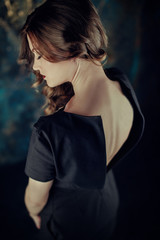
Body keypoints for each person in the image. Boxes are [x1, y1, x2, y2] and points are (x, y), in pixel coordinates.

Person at [19, 0, 145, 239]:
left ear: (71, 47)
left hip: (68, 225)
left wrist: (33, 212)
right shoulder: (121, 83)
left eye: (39, 55)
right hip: (107, 206)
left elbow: (35, 199)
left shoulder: (49, 132)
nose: (35, 65)